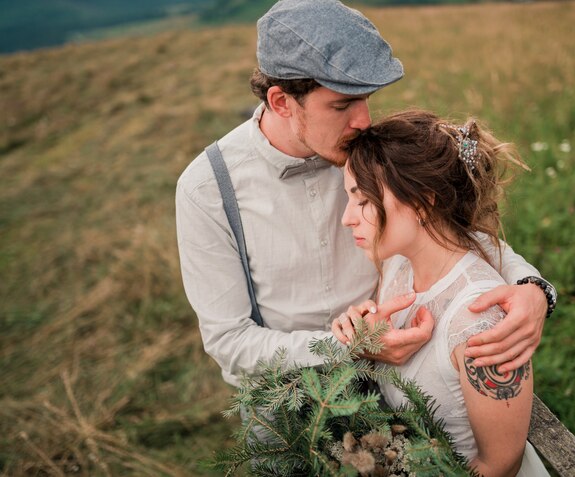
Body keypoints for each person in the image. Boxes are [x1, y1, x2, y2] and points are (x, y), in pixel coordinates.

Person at [175, 0, 555, 390]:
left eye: (365, 99)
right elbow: (229, 340)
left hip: (400, 380)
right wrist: (351, 346)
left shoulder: (363, 149)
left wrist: (532, 287)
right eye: (342, 105)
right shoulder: (205, 190)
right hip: (284, 401)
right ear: (281, 102)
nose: (363, 121)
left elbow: (441, 230)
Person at [333, 109, 550, 476]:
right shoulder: (399, 265)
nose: (346, 218)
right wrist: (358, 336)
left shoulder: (480, 323)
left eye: (363, 200)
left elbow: (500, 464)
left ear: (421, 201)